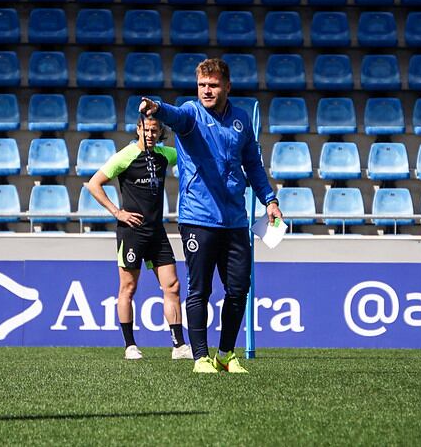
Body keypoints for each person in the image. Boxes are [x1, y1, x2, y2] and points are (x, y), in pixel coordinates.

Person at [139, 58, 282, 374]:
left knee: (239, 289)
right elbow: (174, 115)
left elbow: (253, 165)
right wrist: (156, 108)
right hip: (199, 219)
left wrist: (269, 200)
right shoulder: (191, 114)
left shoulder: (241, 119)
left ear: (227, 86)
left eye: (213, 85)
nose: (206, 90)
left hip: (235, 220)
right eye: (202, 85)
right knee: (199, 290)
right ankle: (200, 357)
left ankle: (225, 355)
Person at [87, 115, 193, 360]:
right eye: (146, 130)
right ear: (138, 129)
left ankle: (179, 346)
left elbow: (190, 152)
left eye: (155, 131)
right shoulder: (125, 156)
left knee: (173, 286)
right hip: (132, 232)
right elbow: (94, 184)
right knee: (128, 288)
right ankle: (130, 346)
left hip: (157, 232)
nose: (150, 134)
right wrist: (118, 212)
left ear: (160, 132)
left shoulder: (165, 155)